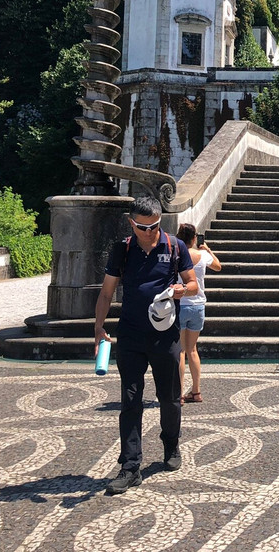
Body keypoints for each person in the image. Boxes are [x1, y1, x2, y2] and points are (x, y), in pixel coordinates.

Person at [94, 196, 197, 495]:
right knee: (130, 401)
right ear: (131, 223)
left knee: (169, 397)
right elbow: (106, 292)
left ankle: (171, 443)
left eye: (154, 225)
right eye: (143, 226)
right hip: (130, 336)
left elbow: (193, 285)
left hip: (165, 336)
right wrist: (99, 327)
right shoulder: (122, 249)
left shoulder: (175, 247)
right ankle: (130, 466)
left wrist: (180, 291)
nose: (150, 232)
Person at [174, 223, 220, 405]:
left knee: (180, 351)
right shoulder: (202, 255)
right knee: (193, 350)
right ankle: (196, 391)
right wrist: (208, 249)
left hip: (180, 304)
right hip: (198, 306)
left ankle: (178, 393)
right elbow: (218, 266)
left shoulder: (175, 255)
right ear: (194, 239)